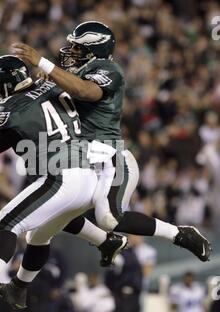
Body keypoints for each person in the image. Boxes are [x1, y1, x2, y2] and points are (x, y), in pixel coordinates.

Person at [11, 20, 211, 266]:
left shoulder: (108, 69)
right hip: (82, 162)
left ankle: (180, 233)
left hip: (110, 157)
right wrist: (41, 83)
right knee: (49, 219)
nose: (71, 52)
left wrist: (45, 64)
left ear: (96, 50)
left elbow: (87, 92)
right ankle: (21, 286)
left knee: (108, 218)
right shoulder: (72, 75)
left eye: (78, 48)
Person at [0, 55, 127, 311]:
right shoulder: (54, 85)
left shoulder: (13, 109)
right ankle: (21, 287)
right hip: (88, 173)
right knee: (41, 229)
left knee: (7, 220)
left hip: (63, 174)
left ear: (4, 83)